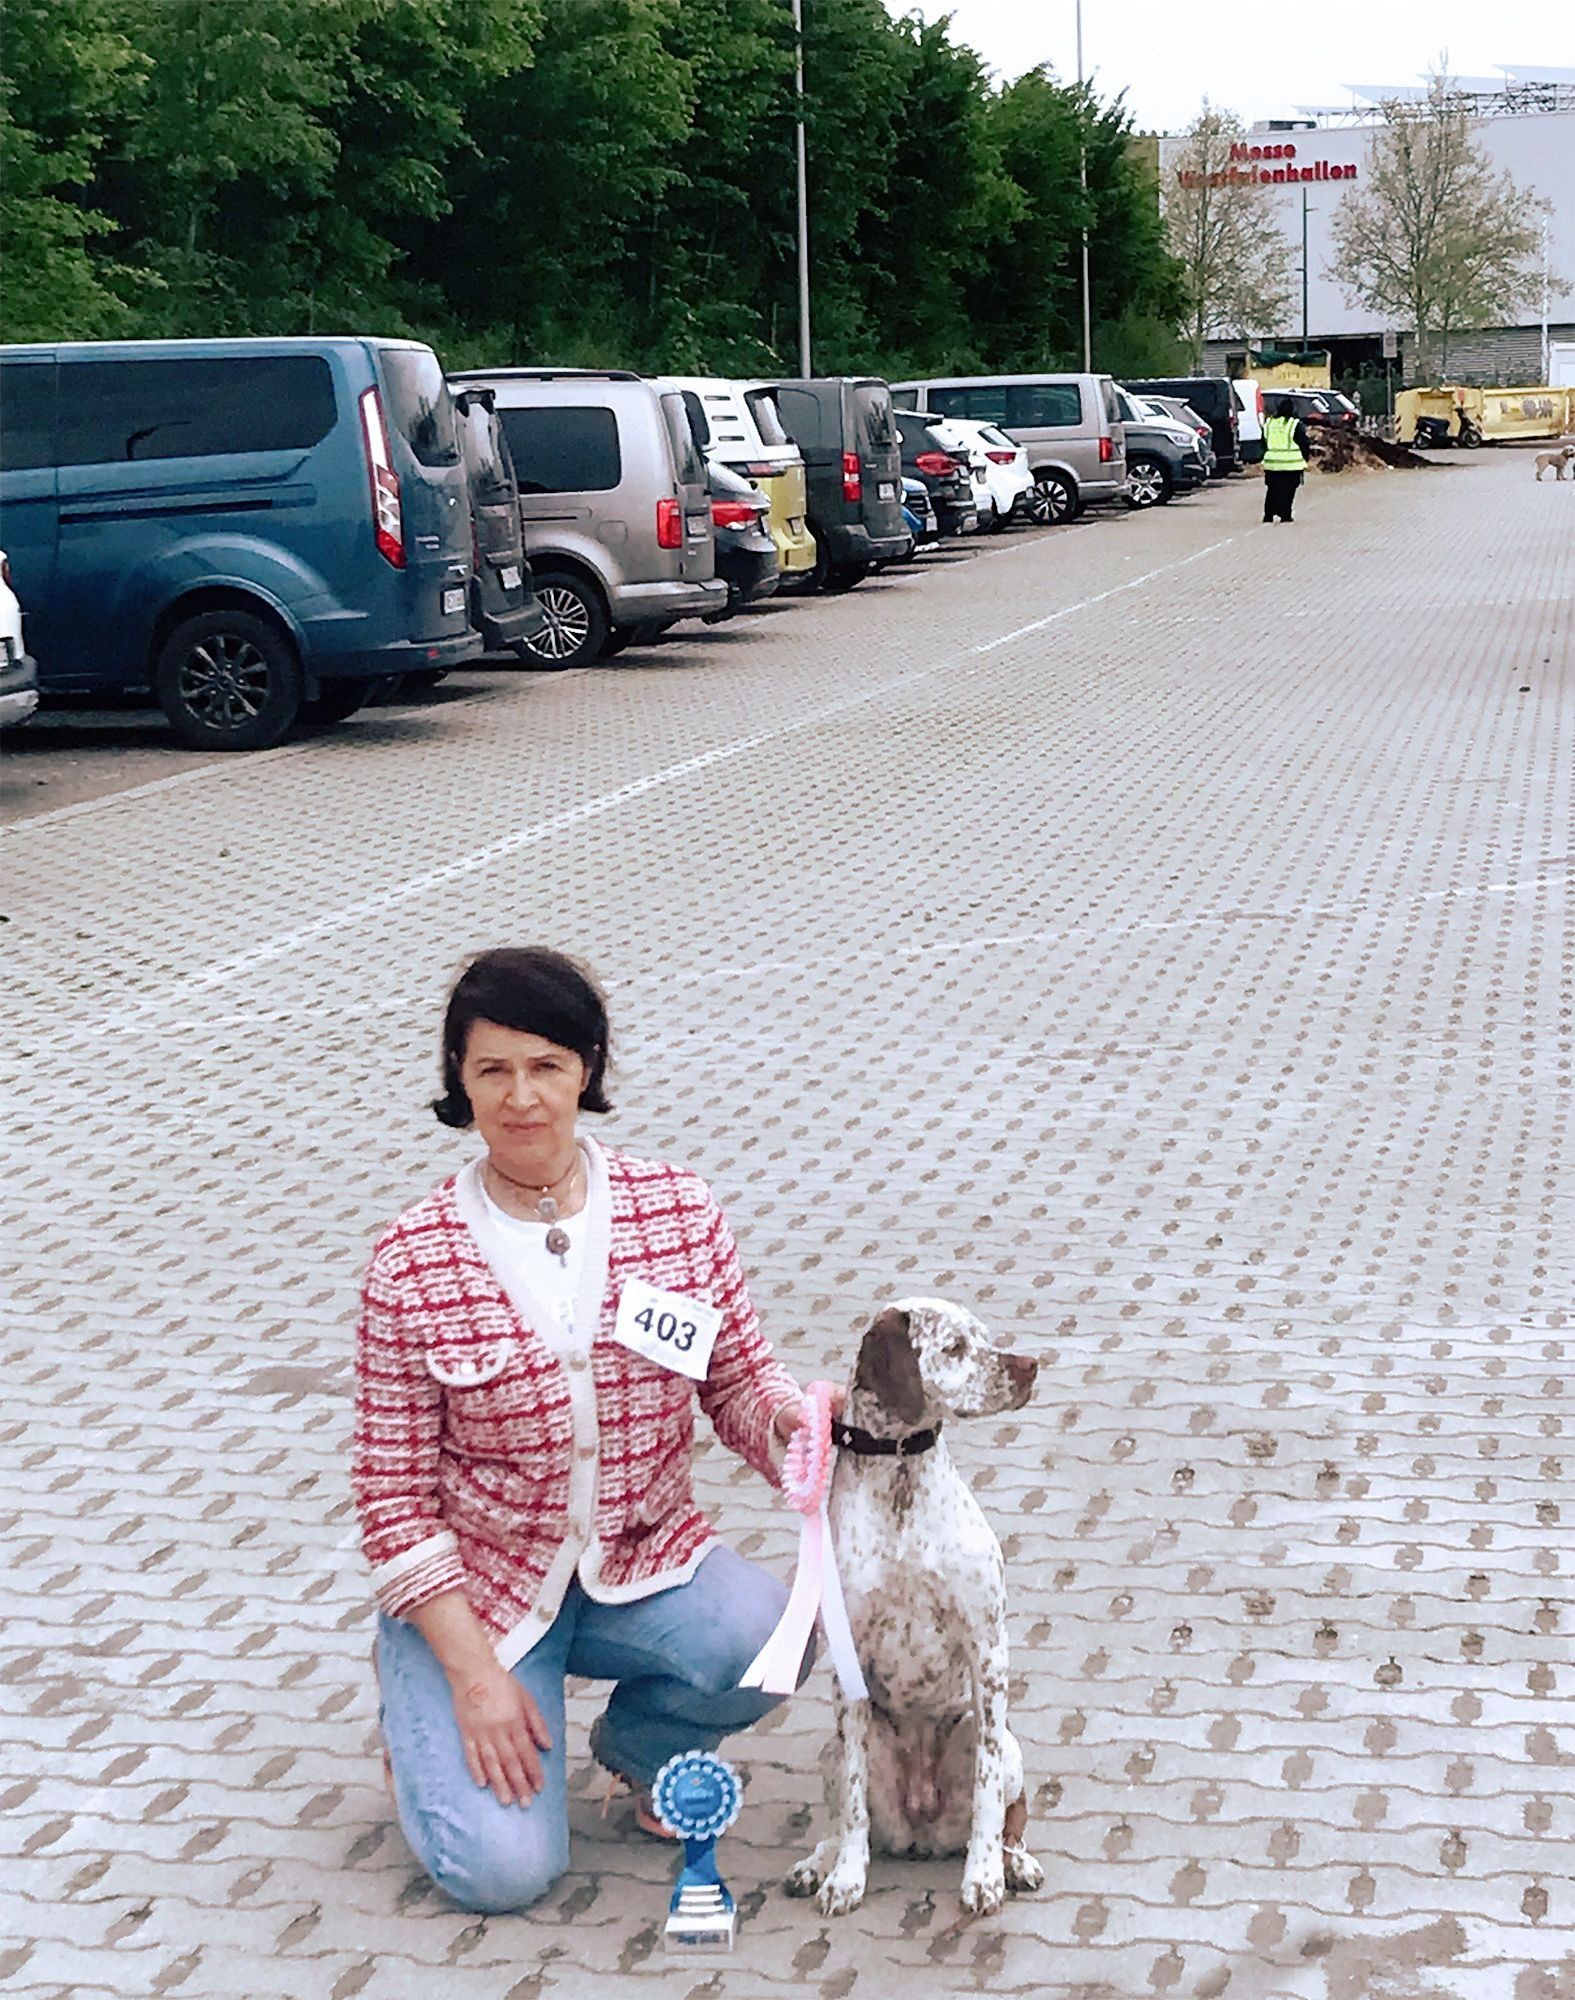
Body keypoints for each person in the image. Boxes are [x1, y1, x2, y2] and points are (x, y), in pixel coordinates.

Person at [351, 947, 827, 1913]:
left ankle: (641, 1750)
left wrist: (793, 1425)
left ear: (587, 1069)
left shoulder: (677, 1211)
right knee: (505, 1874)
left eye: (546, 1065)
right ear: (459, 1080)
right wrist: (476, 1679)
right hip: (479, 1598)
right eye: (492, 1070)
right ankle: (426, 1717)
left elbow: (734, 1374)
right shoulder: (411, 1260)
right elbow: (391, 1501)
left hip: (638, 1565)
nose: (521, 1097)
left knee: (774, 1634)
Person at [1261, 396, 1312, 523]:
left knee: (1272, 489)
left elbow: (1263, 442)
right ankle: (1285, 514)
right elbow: (1303, 442)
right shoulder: (1294, 424)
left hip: (1272, 464)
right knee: (1288, 490)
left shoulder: (1269, 423)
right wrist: (1305, 458)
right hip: (1291, 464)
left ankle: (1268, 515)